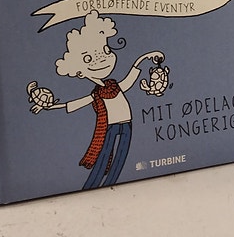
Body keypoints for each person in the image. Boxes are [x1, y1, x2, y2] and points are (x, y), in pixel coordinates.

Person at [49, 10, 164, 189]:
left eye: (105, 50)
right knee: (104, 155)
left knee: (121, 157)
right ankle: (93, 184)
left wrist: (143, 58)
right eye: (89, 58)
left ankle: (111, 181)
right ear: (79, 70)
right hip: (110, 126)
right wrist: (52, 106)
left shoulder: (115, 85)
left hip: (127, 124)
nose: (101, 59)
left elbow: (129, 80)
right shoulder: (96, 94)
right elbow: (77, 104)